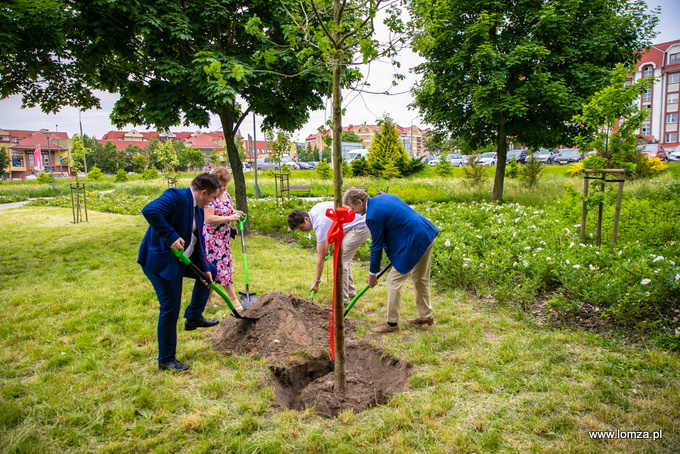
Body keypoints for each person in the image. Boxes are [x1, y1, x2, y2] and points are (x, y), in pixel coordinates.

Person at [138, 173, 222, 371]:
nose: (213, 202)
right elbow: (149, 210)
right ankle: (166, 359)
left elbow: (198, 240)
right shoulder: (176, 196)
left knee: (210, 270)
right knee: (170, 307)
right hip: (161, 261)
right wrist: (170, 236)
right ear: (203, 193)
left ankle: (194, 316)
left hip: (182, 259)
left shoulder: (199, 210)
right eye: (212, 197)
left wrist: (203, 268)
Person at [343, 189, 439, 333]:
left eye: (353, 208)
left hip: (414, 239)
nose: (354, 212)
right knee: (420, 278)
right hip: (425, 233)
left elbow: (376, 246)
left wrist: (372, 273)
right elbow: (397, 225)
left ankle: (391, 324)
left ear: (360, 202)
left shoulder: (372, 216)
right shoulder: (384, 197)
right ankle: (426, 316)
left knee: (393, 280)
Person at [287, 201, 370, 306]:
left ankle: (342, 301)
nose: (302, 231)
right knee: (343, 258)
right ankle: (351, 292)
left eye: (301, 228)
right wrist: (327, 248)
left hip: (361, 225)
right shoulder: (314, 210)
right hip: (352, 223)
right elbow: (331, 227)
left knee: (341, 260)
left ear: (306, 219)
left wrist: (316, 283)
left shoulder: (319, 224)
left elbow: (320, 259)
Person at [203, 167, 244, 309]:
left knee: (212, 270)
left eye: (225, 185)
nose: (223, 188)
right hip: (212, 240)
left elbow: (227, 210)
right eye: (221, 185)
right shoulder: (210, 196)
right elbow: (209, 218)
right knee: (222, 268)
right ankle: (234, 300)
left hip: (223, 239)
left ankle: (206, 301)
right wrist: (229, 217)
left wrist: (235, 213)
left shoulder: (226, 195)